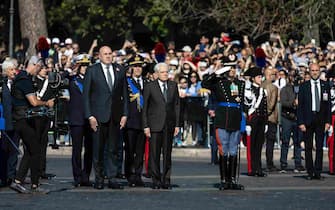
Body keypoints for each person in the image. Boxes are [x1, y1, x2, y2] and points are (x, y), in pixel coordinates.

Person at [83, 46, 128, 190]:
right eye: (106, 54)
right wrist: (90, 116)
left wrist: (125, 114)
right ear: (100, 56)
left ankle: (112, 177)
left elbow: (125, 95)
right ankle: (99, 178)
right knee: (98, 148)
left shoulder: (120, 70)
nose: (109, 56)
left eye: (110, 54)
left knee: (113, 148)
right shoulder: (92, 70)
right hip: (98, 116)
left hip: (115, 116)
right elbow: (86, 96)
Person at [10, 56, 54, 194]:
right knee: (35, 151)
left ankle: (18, 181)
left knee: (30, 151)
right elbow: (34, 102)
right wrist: (47, 103)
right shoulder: (24, 80)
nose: (39, 70)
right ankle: (34, 185)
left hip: (20, 118)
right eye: (39, 68)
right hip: (23, 119)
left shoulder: (23, 78)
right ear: (34, 65)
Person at [202, 65, 245, 190]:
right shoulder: (218, 83)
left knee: (233, 150)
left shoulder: (240, 83)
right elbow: (204, 83)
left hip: (235, 118)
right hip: (222, 118)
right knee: (223, 149)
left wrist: (244, 122)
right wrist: (216, 73)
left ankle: (232, 180)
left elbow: (242, 103)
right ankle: (223, 180)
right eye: (229, 68)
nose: (232, 70)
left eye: (234, 68)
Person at [142, 62, 180, 189]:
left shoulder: (173, 86)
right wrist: (146, 126)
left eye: (167, 72)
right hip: (154, 124)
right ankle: (156, 180)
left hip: (169, 124)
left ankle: (166, 179)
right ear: (157, 74)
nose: (165, 74)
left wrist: (177, 124)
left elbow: (177, 106)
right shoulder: (149, 86)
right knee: (154, 154)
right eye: (163, 72)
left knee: (167, 154)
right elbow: (145, 107)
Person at [297, 63, 331, 180]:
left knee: (320, 147)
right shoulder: (304, 86)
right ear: (309, 72)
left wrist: (328, 121)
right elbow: (300, 106)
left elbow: (328, 106)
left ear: (319, 71)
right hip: (308, 118)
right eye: (313, 70)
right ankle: (310, 172)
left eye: (317, 70)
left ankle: (318, 171)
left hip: (321, 119)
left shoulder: (325, 85)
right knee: (308, 147)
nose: (315, 72)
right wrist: (300, 122)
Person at [68, 55, 93, 187]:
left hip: (90, 119)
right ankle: (77, 176)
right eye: (82, 65)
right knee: (76, 150)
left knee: (90, 149)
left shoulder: (93, 81)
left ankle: (86, 176)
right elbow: (60, 77)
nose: (84, 68)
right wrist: (71, 69)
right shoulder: (73, 79)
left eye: (87, 65)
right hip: (77, 119)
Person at [124, 54, 148, 187]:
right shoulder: (126, 83)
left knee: (140, 151)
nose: (138, 69)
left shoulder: (147, 82)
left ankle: (138, 175)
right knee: (129, 150)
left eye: (140, 66)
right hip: (130, 121)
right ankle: (129, 174)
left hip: (143, 122)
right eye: (135, 66)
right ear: (131, 68)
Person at [279, 70, 305, 173]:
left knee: (298, 141)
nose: (293, 78)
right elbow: (283, 102)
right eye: (291, 76)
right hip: (287, 117)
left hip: (298, 117)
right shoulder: (285, 89)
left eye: (295, 76)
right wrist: (293, 103)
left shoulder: (301, 88)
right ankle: (283, 164)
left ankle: (298, 164)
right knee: (285, 141)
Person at [244, 66, 268, 177]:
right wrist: (248, 123)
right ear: (253, 78)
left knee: (259, 145)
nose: (260, 78)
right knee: (251, 145)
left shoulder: (263, 90)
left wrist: (266, 122)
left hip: (261, 120)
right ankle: (252, 168)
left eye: (261, 76)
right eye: (258, 77)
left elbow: (265, 107)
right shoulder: (249, 90)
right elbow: (246, 108)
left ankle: (258, 168)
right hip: (252, 120)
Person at [0, 58, 20, 187]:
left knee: (14, 151)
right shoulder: (1, 85)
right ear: (6, 71)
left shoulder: (16, 84)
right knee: (3, 151)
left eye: (15, 69)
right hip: (4, 122)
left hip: (16, 121)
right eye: (12, 69)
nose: (14, 72)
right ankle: (2, 176)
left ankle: (11, 176)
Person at [261, 67, 279, 172]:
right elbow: (271, 104)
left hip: (260, 118)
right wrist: (266, 113)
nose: (275, 76)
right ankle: (270, 163)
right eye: (273, 74)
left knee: (259, 142)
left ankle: (258, 163)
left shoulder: (260, 85)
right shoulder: (273, 87)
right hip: (271, 118)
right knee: (270, 142)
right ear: (269, 75)